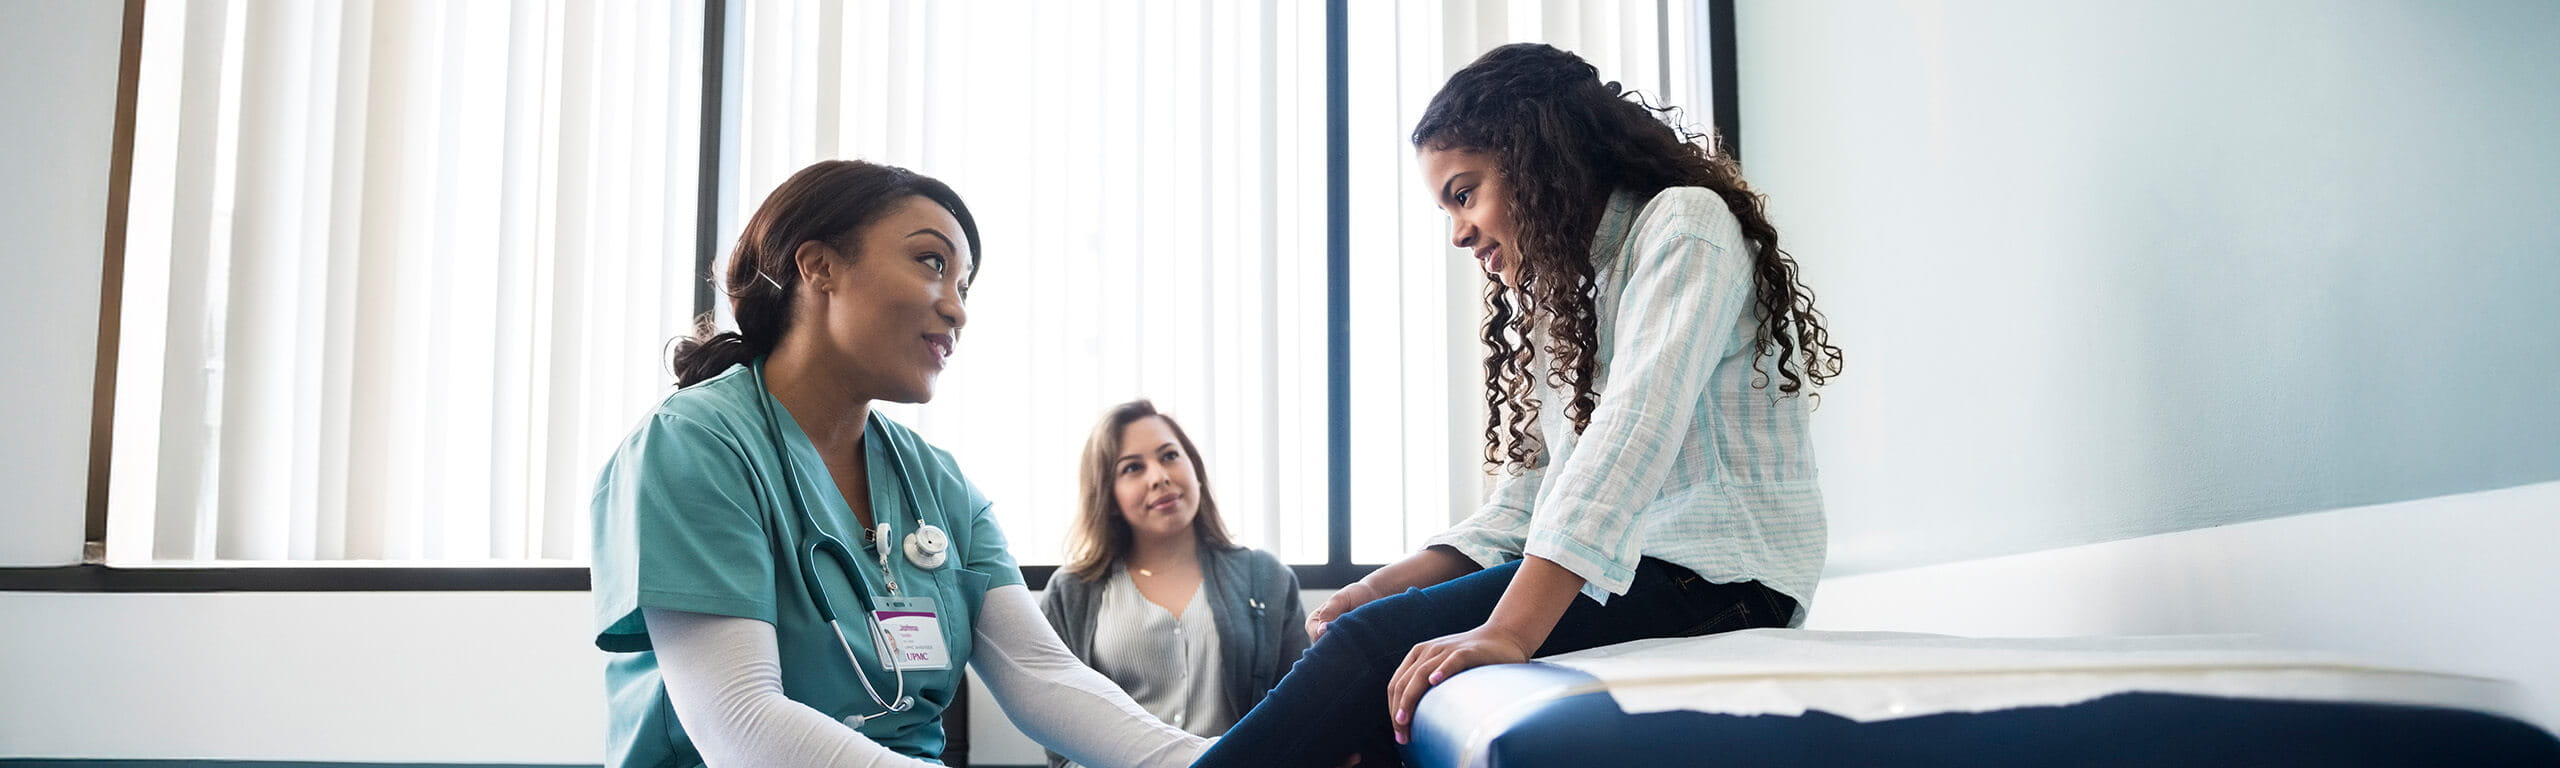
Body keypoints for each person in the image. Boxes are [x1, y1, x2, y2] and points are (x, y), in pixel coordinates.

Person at [1190, 43, 1845, 766]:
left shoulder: (1684, 226)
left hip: (1729, 583)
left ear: (1538, 158)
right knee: (1375, 654)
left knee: (1374, 649)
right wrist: (1379, 587)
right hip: (1654, 571)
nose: (1459, 232)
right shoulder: (1567, 295)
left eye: (1464, 194)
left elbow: (1630, 439)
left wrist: (1510, 631)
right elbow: (1528, 499)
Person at [589, 159, 1208, 768]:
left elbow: (1042, 677)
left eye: (964, 287)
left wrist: (1215, 759)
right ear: (820, 267)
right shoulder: (694, 445)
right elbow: (741, 721)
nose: (958, 309)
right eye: (932, 264)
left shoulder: (938, 482)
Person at [1041, 400, 1309, 768]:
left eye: (1169, 456)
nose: (1159, 476)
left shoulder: (1266, 577)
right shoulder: (1071, 592)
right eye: (1133, 468)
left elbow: (1300, 710)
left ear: (1195, 470)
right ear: (1110, 495)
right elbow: (1060, 731)